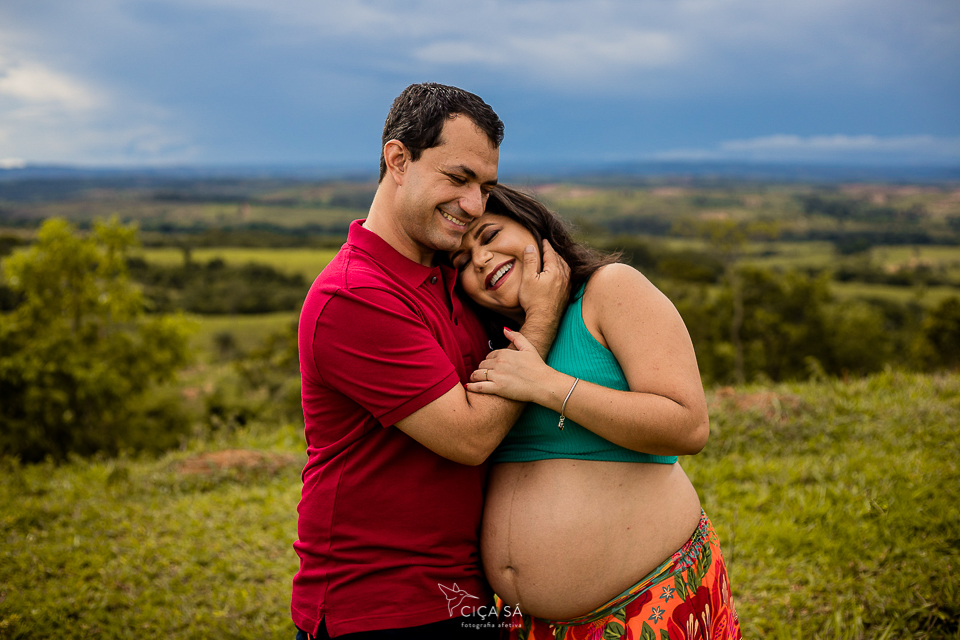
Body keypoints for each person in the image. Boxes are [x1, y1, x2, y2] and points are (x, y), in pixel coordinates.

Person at [293, 84, 569, 639]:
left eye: (485, 187)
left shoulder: (452, 275)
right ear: (399, 160)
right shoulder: (354, 295)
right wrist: (542, 317)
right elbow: (470, 438)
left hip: (463, 593)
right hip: (380, 604)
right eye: (458, 178)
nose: (474, 204)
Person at [450, 185, 742, 639]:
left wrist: (547, 385)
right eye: (462, 261)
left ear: (532, 225)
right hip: (526, 624)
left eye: (489, 236)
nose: (481, 260)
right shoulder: (482, 339)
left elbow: (688, 426)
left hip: (650, 602)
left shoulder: (609, 289)